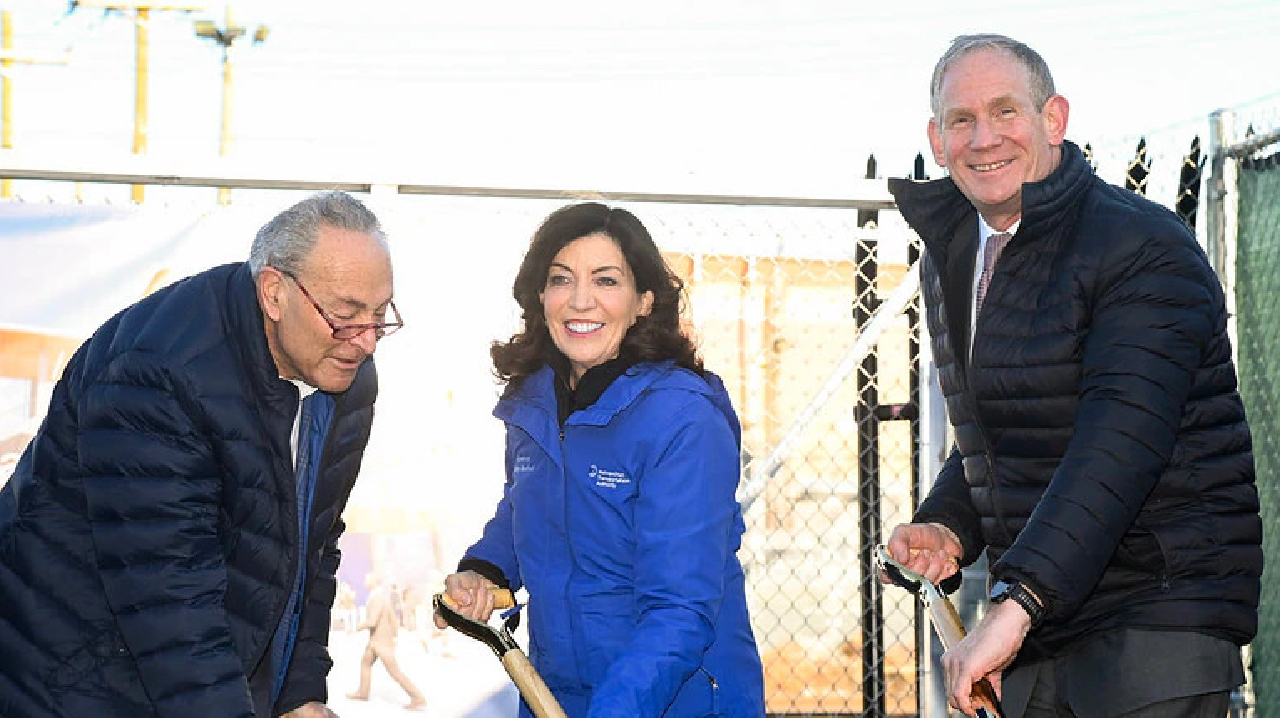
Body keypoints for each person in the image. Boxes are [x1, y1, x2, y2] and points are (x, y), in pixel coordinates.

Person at [883, 33, 1262, 718]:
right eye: (960, 120)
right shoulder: (957, 257)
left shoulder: (1141, 245)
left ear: (1053, 119)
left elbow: (1117, 445)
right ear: (936, 141)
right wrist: (948, 523)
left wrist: (1017, 603)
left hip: (1155, 626)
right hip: (1043, 629)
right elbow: (1008, 428)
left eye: (1005, 112)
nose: (983, 137)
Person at [0, 190, 401, 718]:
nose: (366, 341)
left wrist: (298, 690)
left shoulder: (342, 374)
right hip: (68, 679)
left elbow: (314, 544)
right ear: (275, 294)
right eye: (347, 315)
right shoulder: (156, 372)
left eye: (380, 315)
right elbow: (168, 592)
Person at [435, 202, 765, 717]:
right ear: (540, 295)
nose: (580, 300)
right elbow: (529, 505)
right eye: (561, 279)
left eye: (606, 281)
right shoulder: (534, 401)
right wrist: (486, 568)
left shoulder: (682, 417)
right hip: (555, 694)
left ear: (644, 301)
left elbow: (680, 611)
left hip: (674, 699)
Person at [346, 572, 427, 710]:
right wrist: (394, 635)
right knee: (365, 663)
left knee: (395, 671)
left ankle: (417, 697)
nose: (365, 582)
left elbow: (372, 621)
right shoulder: (382, 597)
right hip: (376, 642)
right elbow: (392, 618)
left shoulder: (377, 598)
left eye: (367, 579)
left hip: (380, 643)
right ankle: (362, 692)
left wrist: (355, 628)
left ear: (373, 581)